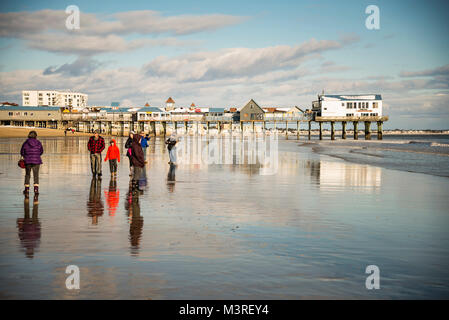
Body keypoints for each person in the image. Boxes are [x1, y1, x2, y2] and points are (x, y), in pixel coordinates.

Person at [20, 130, 44, 196]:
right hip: (37, 161)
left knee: (27, 175)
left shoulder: (26, 142)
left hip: (27, 161)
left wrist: (25, 156)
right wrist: (36, 155)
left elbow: (22, 151)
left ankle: (26, 189)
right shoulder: (38, 142)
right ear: (36, 136)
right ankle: (36, 189)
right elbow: (41, 151)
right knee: (36, 175)